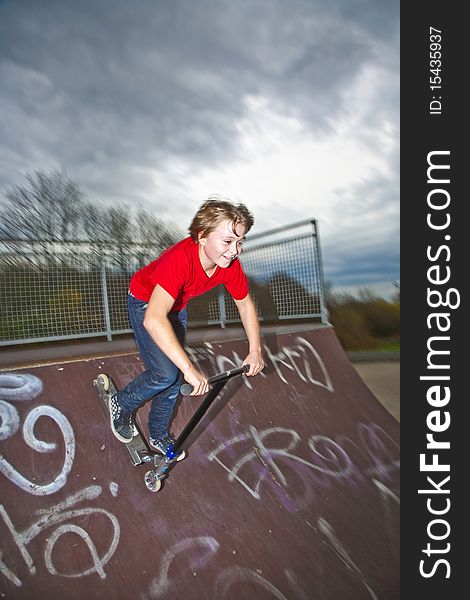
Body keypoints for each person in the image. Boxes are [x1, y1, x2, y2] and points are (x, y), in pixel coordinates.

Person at [109, 195, 265, 455]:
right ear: (202, 236)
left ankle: (158, 434)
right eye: (227, 241)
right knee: (166, 374)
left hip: (177, 309)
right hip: (145, 303)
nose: (235, 250)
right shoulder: (180, 259)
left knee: (175, 376)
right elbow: (154, 319)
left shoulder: (230, 266)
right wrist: (190, 368)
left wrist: (255, 350)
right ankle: (121, 403)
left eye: (240, 241)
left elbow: (245, 305)